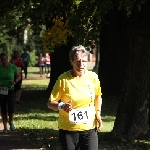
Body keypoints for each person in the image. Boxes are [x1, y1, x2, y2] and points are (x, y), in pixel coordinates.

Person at [47, 45, 103, 150]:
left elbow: (97, 95)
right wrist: (62, 106)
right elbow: (50, 103)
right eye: (77, 61)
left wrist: (98, 113)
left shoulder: (93, 77)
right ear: (71, 61)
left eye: (84, 61)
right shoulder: (63, 79)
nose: (81, 64)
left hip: (89, 128)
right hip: (68, 130)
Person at [0, 53, 21, 133]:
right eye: (2, 60)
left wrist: (15, 81)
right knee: (3, 109)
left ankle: (11, 122)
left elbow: (19, 76)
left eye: (5, 59)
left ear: (8, 59)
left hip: (10, 90)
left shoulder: (13, 67)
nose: (4, 61)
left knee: (11, 109)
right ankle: (5, 126)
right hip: (1, 90)